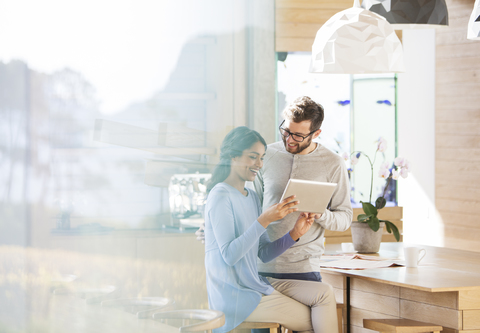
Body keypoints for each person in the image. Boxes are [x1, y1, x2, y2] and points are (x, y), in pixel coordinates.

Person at [204, 126, 338, 333]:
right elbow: (230, 256)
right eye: (252, 157)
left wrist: (295, 233)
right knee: (316, 320)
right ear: (232, 156)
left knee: (324, 293)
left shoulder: (251, 197)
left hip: (256, 284)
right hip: (235, 296)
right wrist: (264, 220)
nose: (259, 164)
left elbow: (263, 253)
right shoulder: (220, 195)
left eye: (262, 158)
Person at [254, 96, 352, 282]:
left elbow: (344, 218)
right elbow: (251, 206)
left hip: (304, 268)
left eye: (298, 136)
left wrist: (321, 214)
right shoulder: (266, 155)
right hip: (261, 264)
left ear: (316, 133)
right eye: (286, 131)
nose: (290, 140)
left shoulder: (333, 163)